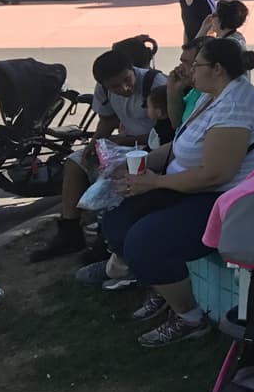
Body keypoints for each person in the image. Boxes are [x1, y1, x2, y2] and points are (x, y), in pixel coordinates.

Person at [96, 38, 254, 346]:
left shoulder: (235, 106)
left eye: (194, 65)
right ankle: (160, 284)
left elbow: (215, 175)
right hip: (190, 187)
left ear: (217, 69)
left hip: (224, 201)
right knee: (116, 220)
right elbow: (181, 146)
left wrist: (154, 182)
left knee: (144, 242)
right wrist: (131, 164)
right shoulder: (211, 95)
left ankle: (189, 317)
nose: (187, 69)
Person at [28, 50, 164, 262]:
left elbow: (170, 131)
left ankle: (107, 240)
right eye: (115, 87)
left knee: (112, 174)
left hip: (154, 147)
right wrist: (94, 145)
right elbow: (108, 120)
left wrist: (123, 140)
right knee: (74, 163)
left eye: (127, 80)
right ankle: (70, 231)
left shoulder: (155, 83)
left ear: (132, 69)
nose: (124, 88)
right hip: (124, 145)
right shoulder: (103, 89)